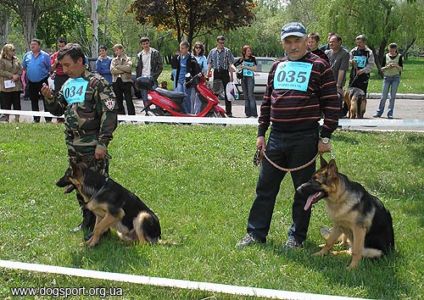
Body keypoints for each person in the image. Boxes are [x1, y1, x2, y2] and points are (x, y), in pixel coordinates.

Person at [236, 22, 339, 249]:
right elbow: (266, 103)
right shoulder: (277, 66)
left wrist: (325, 137)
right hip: (276, 137)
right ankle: (255, 233)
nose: (293, 46)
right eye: (288, 41)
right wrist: (261, 134)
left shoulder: (320, 66)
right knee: (265, 188)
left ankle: (296, 238)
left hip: (304, 138)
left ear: (306, 41)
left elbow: (333, 104)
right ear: (282, 43)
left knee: (303, 191)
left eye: (297, 41)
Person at [41, 43, 118, 237]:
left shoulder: (97, 82)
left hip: (93, 147)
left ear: (80, 61)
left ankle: (102, 227)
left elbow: (110, 114)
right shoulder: (68, 84)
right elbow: (59, 109)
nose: (64, 70)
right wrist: (49, 98)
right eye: (62, 66)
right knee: (80, 186)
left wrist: (103, 142)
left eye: (68, 65)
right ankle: (87, 221)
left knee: (97, 189)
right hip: (74, 147)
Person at [22, 38, 52, 123]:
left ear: (39, 46)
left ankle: (48, 119)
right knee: (33, 100)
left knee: (46, 100)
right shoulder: (27, 55)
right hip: (31, 82)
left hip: (42, 81)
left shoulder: (45, 56)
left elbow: (49, 67)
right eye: (31, 44)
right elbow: (24, 67)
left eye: (34, 44)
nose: (32, 46)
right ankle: (36, 119)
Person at [207, 35, 235, 117]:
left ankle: (229, 112)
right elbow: (209, 63)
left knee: (228, 92)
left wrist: (232, 75)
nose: (222, 44)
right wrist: (208, 73)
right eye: (220, 43)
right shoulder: (212, 51)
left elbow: (230, 63)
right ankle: (214, 111)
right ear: (217, 42)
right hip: (217, 72)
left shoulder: (227, 51)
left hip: (225, 72)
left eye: (223, 43)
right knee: (216, 92)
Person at [373, 43, 403, 119]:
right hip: (387, 78)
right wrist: (387, 67)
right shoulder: (385, 56)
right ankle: (379, 112)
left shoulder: (399, 57)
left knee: (392, 96)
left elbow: (401, 69)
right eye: (391, 50)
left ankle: (390, 113)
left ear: (396, 49)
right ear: (388, 49)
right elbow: (381, 69)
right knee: (384, 96)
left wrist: (396, 65)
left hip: (395, 78)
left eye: (393, 50)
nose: (392, 52)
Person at [325, 34, 350, 114]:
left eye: (333, 42)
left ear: (339, 42)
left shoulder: (344, 54)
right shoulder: (327, 53)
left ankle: (338, 117)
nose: (331, 44)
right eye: (330, 42)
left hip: (337, 81)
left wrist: (338, 85)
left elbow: (342, 70)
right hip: (326, 81)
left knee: (337, 98)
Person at [136, 37, 163, 109]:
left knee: (156, 97)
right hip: (142, 79)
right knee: (145, 98)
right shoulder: (139, 55)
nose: (145, 45)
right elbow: (138, 68)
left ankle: (159, 114)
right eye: (143, 44)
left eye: (147, 43)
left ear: (149, 43)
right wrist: (137, 80)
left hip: (152, 78)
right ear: (141, 45)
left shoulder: (155, 53)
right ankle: (147, 114)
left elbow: (160, 66)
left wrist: (154, 77)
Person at [174, 41, 201, 114]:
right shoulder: (179, 57)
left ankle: (188, 115)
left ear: (187, 49)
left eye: (183, 48)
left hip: (187, 82)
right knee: (179, 98)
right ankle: (181, 114)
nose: (181, 50)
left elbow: (197, 70)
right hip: (179, 81)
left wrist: (193, 78)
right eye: (180, 48)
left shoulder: (191, 58)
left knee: (186, 99)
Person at [0, 43, 23, 123]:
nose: (14, 51)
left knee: (17, 104)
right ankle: (6, 120)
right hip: (5, 87)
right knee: (6, 104)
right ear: (6, 51)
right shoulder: (1, 60)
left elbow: (21, 69)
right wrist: (11, 75)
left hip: (16, 86)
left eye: (14, 50)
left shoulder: (16, 59)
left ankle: (17, 119)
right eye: (12, 50)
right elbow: (1, 71)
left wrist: (17, 75)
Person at [234, 45, 258, 118]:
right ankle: (247, 113)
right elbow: (234, 66)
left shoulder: (253, 58)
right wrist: (238, 69)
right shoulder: (241, 59)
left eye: (250, 51)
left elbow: (255, 68)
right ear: (244, 52)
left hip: (250, 78)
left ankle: (254, 113)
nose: (249, 52)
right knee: (246, 96)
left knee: (250, 95)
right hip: (243, 78)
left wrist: (246, 67)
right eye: (248, 51)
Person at [110, 44, 135, 116]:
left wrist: (118, 66)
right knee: (118, 100)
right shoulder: (113, 60)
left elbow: (129, 68)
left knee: (128, 99)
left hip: (126, 81)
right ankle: (121, 115)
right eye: (115, 51)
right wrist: (123, 70)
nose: (116, 52)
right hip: (116, 81)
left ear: (121, 49)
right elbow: (112, 71)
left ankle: (132, 116)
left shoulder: (128, 59)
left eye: (117, 50)